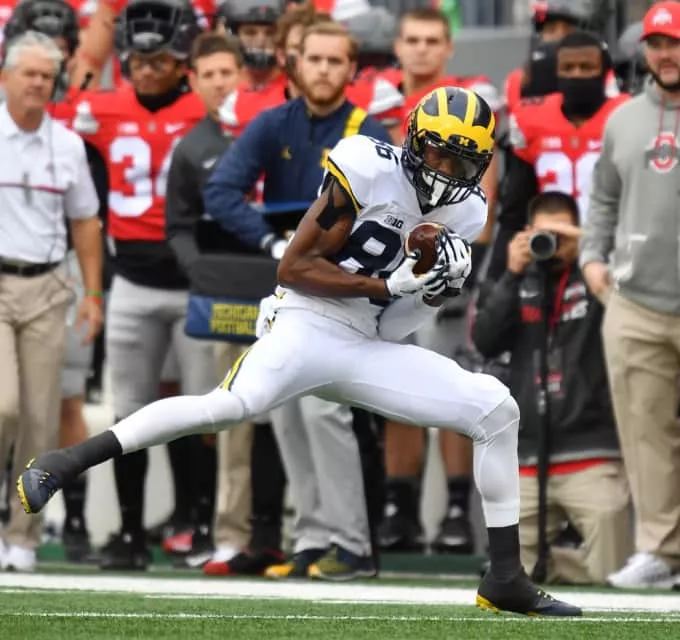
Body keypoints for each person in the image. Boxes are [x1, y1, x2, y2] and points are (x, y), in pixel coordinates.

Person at [17, 84, 580, 616]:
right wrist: (388, 283)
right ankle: (65, 462)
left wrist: (432, 291)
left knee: (495, 409)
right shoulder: (367, 165)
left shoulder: (466, 212)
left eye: (462, 163)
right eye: (438, 154)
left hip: (366, 340)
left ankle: (505, 576)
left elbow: (394, 327)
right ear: (413, 139)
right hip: (304, 321)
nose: (446, 172)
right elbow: (294, 267)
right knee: (227, 406)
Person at [205, 20, 388, 582]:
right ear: (295, 63)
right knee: (285, 409)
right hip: (289, 288)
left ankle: (351, 544)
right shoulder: (273, 122)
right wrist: (271, 240)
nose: (324, 70)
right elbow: (220, 190)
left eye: (336, 61)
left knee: (324, 410)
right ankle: (311, 539)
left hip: (345, 293)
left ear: (352, 69)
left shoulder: (367, 129)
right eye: (315, 59)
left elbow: (390, 213)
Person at [69, 0, 220, 571]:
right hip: (131, 280)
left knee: (202, 413)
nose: (147, 68)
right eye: (138, 59)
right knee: (129, 413)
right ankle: (130, 531)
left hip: (193, 281)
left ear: (181, 62)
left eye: (159, 60)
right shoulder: (102, 109)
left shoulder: (205, 110)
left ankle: (197, 527)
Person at [377, 6, 500, 555]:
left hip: (449, 262)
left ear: (449, 48)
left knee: (450, 385)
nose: (422, 49)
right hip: (389, 267)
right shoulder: (380, 107)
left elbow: (485, 203)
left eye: (432, 40)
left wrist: (443, 251)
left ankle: (454, 510)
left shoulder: (472, 104)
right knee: (394, 388)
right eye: (412, 39)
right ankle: (400, 509)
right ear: (397, 46)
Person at [472, 191, 632, 585]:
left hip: (592, 454)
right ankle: (554, 567)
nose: (552, 244)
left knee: (614, 575)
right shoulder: (517, 277)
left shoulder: (596, 276)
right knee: (508, 581)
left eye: (563, 234)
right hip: (527, 456)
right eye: (544, 234)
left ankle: (557, 567)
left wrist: (590, 248)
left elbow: (628, 312)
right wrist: (511, 274)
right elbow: (485, 340)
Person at [580, 0, 680, 589]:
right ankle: (661, 550)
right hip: (636, 303)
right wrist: (592, 257)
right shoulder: (623, 119)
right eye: (658, 44)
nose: (667, 55)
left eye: (675, 43)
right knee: (645, 434)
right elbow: (603, 199)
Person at [0, 30, 102, 571]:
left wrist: (92, 293)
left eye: (47, 75)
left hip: (47, 285)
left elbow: (85, 222)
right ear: (5, 77)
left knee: (41, 418)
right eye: (29, 74)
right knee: (4, 406)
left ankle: (23, 536)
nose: (39, 83)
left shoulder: (67, 145)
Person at [162, 32, 243, 568]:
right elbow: (179, 225)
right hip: (226, 298)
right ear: (193, 81)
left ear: (243, 76)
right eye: (209, 74)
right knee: (226, 415)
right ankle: (223, 528)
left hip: (288, 288)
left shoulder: (269, 131)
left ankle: (285, 528)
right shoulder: (192, 147)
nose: (220, 83)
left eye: (227, 72)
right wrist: (204, 273)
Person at [487, 30, 630, 282]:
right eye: (568, 68)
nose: (577, 75)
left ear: (604, 71)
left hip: (612, 253)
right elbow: (514, 211)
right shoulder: (532, 118)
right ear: (557, 72)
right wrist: (495, 281)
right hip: (549, 254)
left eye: (586, 67)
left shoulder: (626, 116)